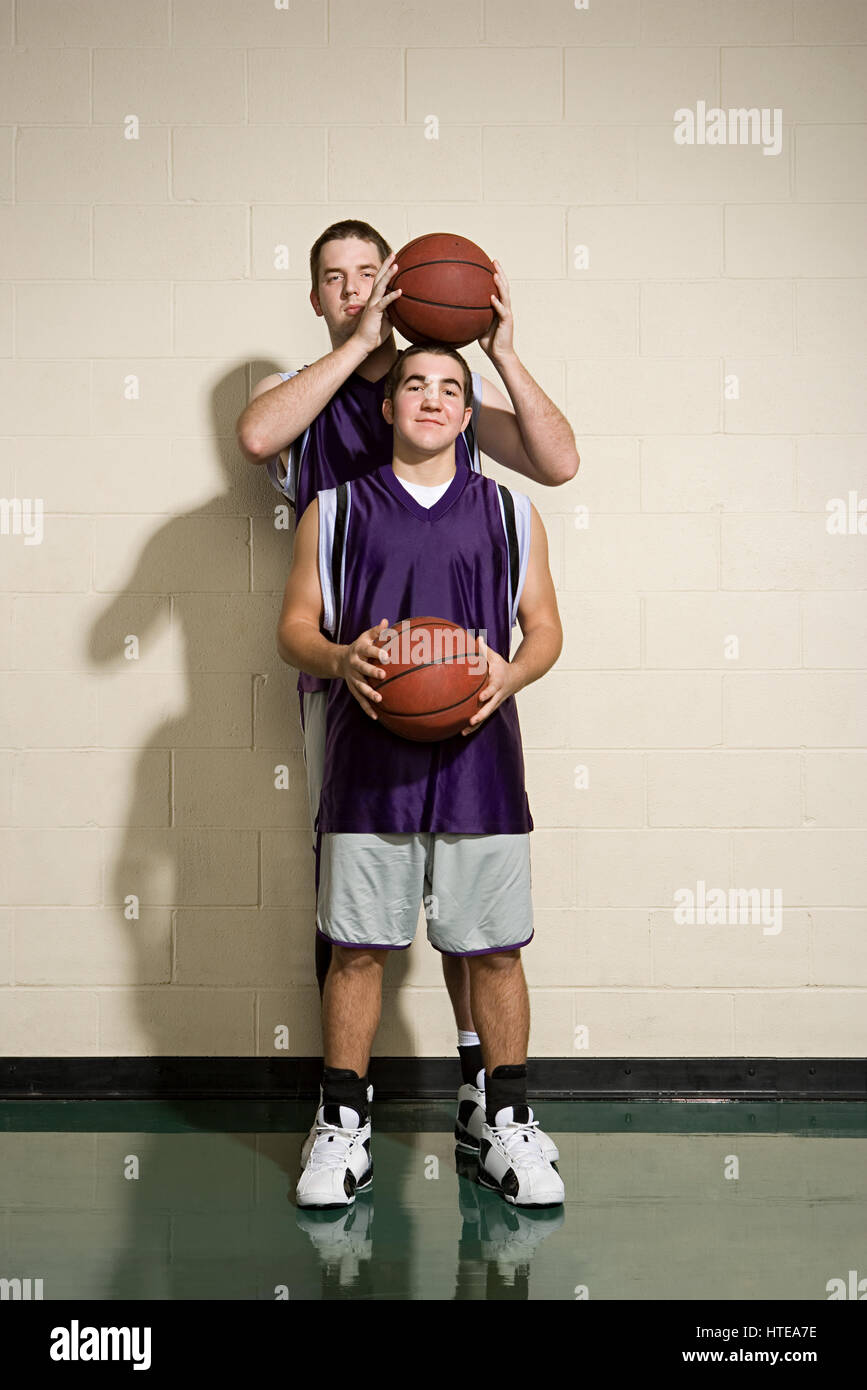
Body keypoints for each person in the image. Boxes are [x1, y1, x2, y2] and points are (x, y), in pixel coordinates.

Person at [236, 219, 579, 1151]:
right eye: (333, 280)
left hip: (458, 679)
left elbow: (556, 459)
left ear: (393, 279)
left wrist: (493, 351)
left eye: (365, 275)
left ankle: (485, 1088)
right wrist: (356, 350)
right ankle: (342, 1111)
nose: (351, 289)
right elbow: (257, 431)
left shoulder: (438, 389)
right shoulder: (316, 402)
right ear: (316, 298)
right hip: (348, 683)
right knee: (355, 902)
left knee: (476, 895)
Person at [276, 341, 565, 1209]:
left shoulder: (512, 513)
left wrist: (510, 673)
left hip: (482, 755)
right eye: (415, 386)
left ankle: (503, 1123)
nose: (432, 400)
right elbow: (291, 628)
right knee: (359, 948)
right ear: (388, 406)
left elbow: (544, 628)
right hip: (369, 760)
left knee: (495, 949)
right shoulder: (332, 510)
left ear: (469, 413)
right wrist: (337, 654)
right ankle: (340, 1128)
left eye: (451, 389)